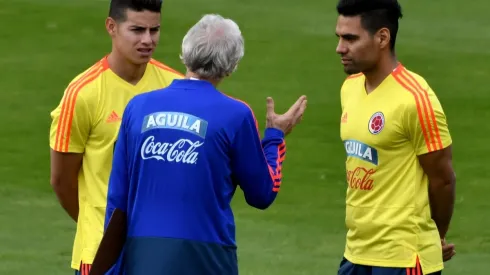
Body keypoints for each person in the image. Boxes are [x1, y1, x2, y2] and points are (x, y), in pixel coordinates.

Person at [103, 14, 307, 275]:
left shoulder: (138, 107)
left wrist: (111, 268)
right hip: (208, 257)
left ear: (184, 54)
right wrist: (275, 136)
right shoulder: (236, 114)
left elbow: (117, 196)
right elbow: (262, 194)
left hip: (142, 255)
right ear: (231, 66)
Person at [48, 0, 183, 274]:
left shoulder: (174, 87)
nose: (148, 40)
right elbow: (62, 180)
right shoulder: (83, 94)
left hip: (159, 250)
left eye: (154, 30)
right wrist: (99, 227)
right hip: (100, 254)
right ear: (112, 27)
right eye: (137, 30)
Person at [334, 0, 456, 274]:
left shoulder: (415, 99)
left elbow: (443, 180)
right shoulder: (350, 87)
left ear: (382, 37)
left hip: (403, 258)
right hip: (356, 252)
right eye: (339, 37)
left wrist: (434, 239)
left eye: (351, 38)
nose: (340, 48)